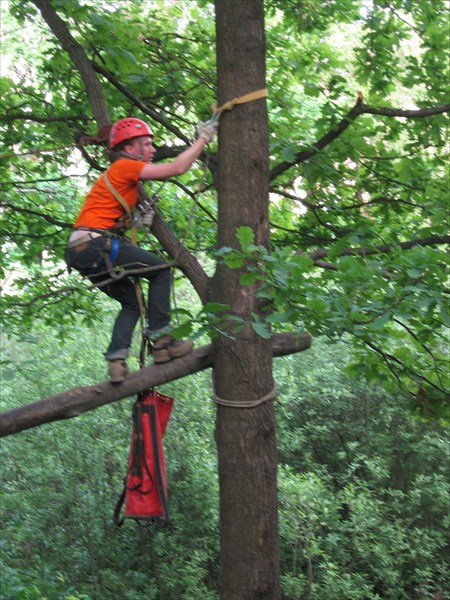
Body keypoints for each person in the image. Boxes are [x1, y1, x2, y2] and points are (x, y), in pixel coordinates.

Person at [66, 117, 218, 382]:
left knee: (132, 304)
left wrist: (133, 222)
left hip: (81, 250)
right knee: (160, 272)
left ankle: (116, 360)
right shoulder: (124, 166)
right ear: (130, 147)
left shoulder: (123, 180)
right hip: (96, 243)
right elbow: (178, 167)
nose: (152, 150)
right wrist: (203, 139)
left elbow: (105, 218)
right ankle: (162, 342)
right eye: (146, 144)